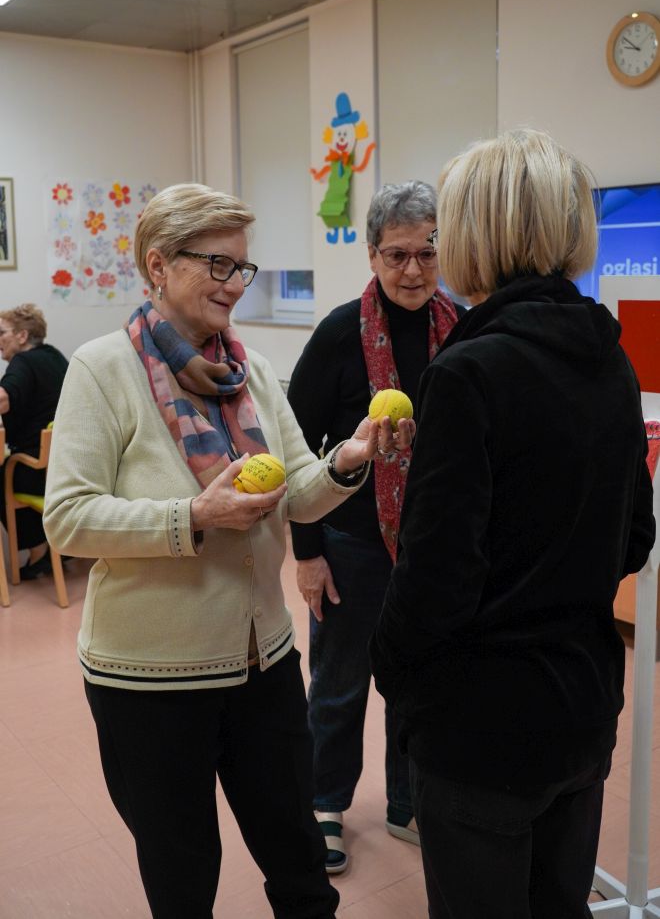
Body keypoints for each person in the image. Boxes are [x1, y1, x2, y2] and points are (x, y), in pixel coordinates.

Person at [42, 183, 408, 919]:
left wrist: (348, 461)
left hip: (265, 664)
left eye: (242, 268)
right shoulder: (102, 369)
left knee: (301, 865)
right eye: (217, 265)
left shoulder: (252, 370)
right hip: (149, 680)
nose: (235, 286)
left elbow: (300, 490)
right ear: (158, 265)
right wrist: (192, 517)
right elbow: (69, 518)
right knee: (184, 878)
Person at [370, 130, 656, 919]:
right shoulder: (612, 358)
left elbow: (435, 578)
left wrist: (392, 673)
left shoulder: (467, 371)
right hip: (584, 705)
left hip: (481, 730)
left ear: (474, 232)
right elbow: (636, 535)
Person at [287, 181, 462, 873]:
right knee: (338, 683)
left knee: (417, 679)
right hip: (352, 542)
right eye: (397, 255)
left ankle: (407, 802)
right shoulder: (338, 332)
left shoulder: (465, 324)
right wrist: (307, 555)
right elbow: (296, 450)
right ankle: (324, 804)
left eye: (426, 252)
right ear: (371, 254)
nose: (413, 270)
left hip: (433, 545)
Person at [0, 303, 68, 579]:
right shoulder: (54, 356)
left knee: (3, 475)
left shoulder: (22, 361)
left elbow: (4, 398)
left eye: (2, 333)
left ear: (22, 336)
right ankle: (57, 545)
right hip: (62, 469)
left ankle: (40, 551)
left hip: (33, 472)